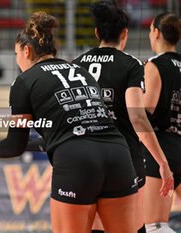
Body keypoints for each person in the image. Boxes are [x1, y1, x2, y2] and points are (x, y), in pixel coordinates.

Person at [0, 11, 140, 233]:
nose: (17, 60)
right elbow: (61, 133)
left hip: (77, 158)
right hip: (117, 152)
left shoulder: (24, 81)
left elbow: (14, 145)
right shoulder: (81, 71)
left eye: (16, 53)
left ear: (26, 51)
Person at [71, 2, 174, 233]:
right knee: (132, 226)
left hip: (84, 156)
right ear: (125, 33)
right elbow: (138, 118)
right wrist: (163, 163)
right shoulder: (132, 65)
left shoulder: (75, 67)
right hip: (123, 156)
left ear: (97, 32)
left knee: (93, 226)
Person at [143, 12, 181, 233]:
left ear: (156, 33)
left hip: (160, 151)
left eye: (150, 32)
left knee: (155, 227)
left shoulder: (154, 65)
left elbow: (146, 113)